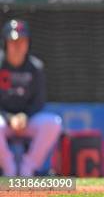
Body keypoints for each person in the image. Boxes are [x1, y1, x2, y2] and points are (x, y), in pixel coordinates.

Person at [0, 19, 62, 176]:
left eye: (22, 41)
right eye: (13, 41)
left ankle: (28, 168)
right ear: (5, 43)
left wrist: (24, 116)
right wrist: (9, 118)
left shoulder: (35, 67)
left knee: (53, 123)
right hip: (3, 121)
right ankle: (9, 168)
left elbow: (39, 101)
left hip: (27, 121)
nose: (18, 46)